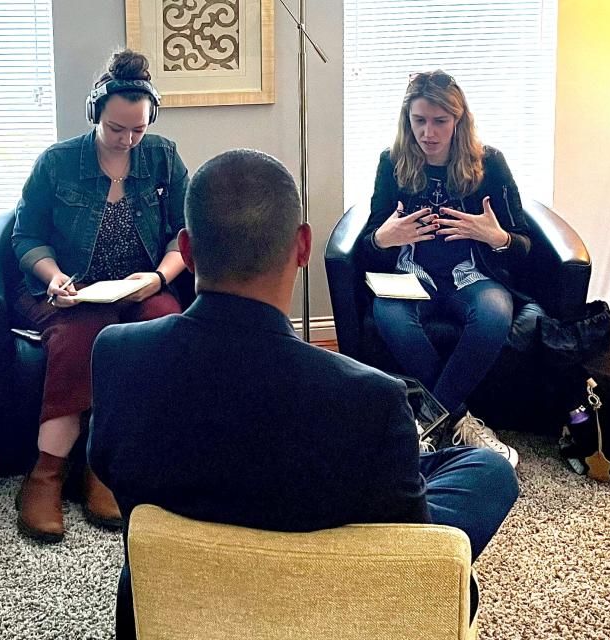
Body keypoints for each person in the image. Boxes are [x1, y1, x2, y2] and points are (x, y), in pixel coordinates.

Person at [88, 148, 519, 639]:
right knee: (489, 470)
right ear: (303, 247)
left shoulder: (117, 354)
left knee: (448, 465)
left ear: (186, 251)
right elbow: (411, 531)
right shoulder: (372, 398)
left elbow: (107, 463)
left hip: (171, 603)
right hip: (334, 607)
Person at [10, 49, 188, 542]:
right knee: (80, 335)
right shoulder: (58, 163)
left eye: (138, 130)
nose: (128, 140)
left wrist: (158, 277)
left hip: (137, 284)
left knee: (163, 326)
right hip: (69, 290)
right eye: (117, 129)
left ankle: (105, 465)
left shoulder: (164, 158)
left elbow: (182, 234)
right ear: (95, 115)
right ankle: (46, 474)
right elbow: (25, 238)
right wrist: (54, 278)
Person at [358, 70, 532, 467]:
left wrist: (495, 236)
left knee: (494, 314)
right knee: (388, 312)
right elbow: (370, 243)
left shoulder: (489, 164)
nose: (428, 133)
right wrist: (386, 238)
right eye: (419, 121)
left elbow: (523, 245)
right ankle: (460, 419)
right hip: (410, 276)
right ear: (408, 121)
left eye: (440, 121)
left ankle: (426, 423)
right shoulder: (392, 162)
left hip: (470, 276)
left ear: (458, 120)